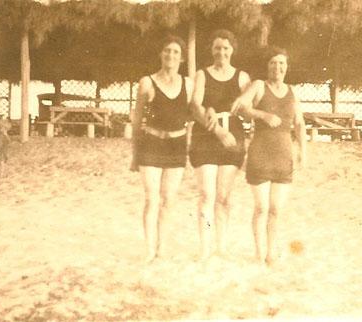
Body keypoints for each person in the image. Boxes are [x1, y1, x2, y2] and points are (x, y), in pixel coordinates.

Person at [190, 29, 280, 260]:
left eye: (226, 48)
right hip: (207, 136)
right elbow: (194, 107)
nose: (221, 52)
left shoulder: (242, 77)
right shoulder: (202, 75)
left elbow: (248, 111)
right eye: (217, 48)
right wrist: (217, 129)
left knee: (223, 196)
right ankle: (204, 248)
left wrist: (254, 114)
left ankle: (221, 246)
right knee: (207, 195)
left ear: (232, 51)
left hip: (234, 139)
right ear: (211, 50)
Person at [231, 47, 306, 266]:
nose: (277, 67)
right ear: (267, 66)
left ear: (286, 67)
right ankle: (258, 252)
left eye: (281, 63)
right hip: (260, 152)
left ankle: (271, 252)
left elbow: (299, 124)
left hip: (284, 155)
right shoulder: (258, 86)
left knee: (275, 209)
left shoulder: (293, 91)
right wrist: (262, 114)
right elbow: (239, 106)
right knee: (261, 207)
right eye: (273, 63)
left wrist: (303, 152)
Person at [131, 35, 194, 263]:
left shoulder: (189, 84)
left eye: (176, 52)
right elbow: (137, 120)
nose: (171, 55)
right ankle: (149, 249)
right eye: (167, 50)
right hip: (151, 144)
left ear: (182, 58)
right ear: (161, 54)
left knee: (169, 199)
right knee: (151, 199)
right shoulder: (146, 82)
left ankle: (162, 247)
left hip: (176, 147)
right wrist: (134, 155)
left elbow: (195, 114)